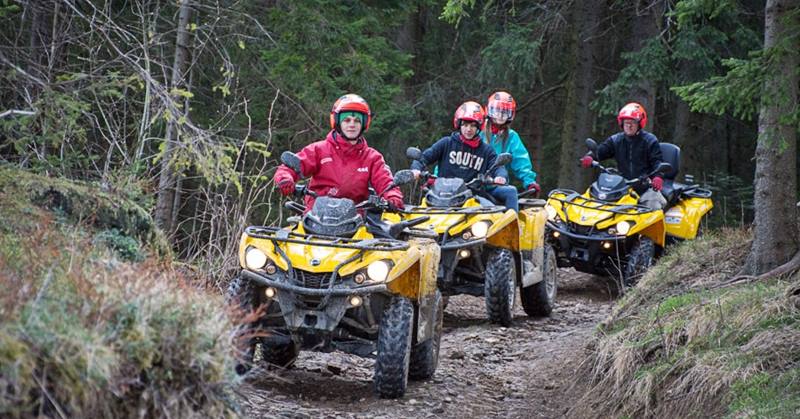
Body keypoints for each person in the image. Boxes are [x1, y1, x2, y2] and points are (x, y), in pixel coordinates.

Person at [273, 93, 404, 212]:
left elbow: (386, 183)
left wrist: (393, 199)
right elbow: (289, 167)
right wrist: (285, 180)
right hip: (316, 216)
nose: (352, 124)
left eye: (357, 120)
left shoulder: (372, 157)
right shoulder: (319, 150)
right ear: (337, 122)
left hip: (355, 221)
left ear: (364, 124)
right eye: (347, 120)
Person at [411, 101, 519, 212]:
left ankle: (512, 227)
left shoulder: (486, 150)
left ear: (479, 127)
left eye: (473, 125)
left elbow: (498, 167)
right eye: (465, 125)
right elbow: (423, 158)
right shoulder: (446, 143)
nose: (469, 129)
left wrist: (500, 176)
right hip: (441, 196)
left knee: (495, 216)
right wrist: (416, 170)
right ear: (458, 124)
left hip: (473, 198)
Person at [580, 102, 665, 208]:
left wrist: (657, 177)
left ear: (639, 123)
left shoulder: (650, 140)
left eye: (632, 122)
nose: (629, 125)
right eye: (626, 122)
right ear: (622, 123)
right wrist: (590, 157)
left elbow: (657, 161)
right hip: (622, 187)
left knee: (653, 206)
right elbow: (600, 151)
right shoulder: (616, 140)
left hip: (645, 187)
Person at [482, 91, 540, 196]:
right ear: (489, 110)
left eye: (505, 112)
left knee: (511, 195)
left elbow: (521, 160)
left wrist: (530, 182)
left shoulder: (512, 137)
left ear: (510, 114)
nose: (500, 115)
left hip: (498, 185)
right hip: (474, 183)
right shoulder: (477, 132)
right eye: (497, 111)